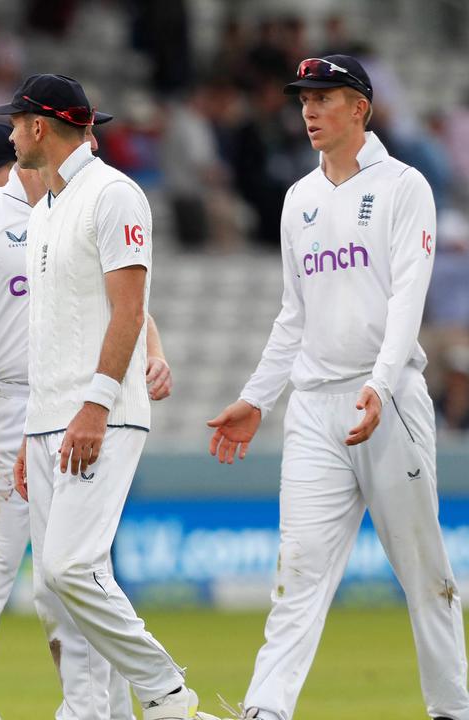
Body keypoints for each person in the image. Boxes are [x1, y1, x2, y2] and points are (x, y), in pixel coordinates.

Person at [207, 54, 469, 720]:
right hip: (316, 408)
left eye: (324, 97)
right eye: (304, 99)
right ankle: (265, 711)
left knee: (427, 576)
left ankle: (450, 709)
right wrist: (257, 397)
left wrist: (381, 385)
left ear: (361, 107)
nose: (310, 110)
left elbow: (411, 295)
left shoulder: (405, 185)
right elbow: (292, 316)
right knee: (297, 575)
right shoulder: (300, 199)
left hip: (389, 401)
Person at [0, 121, 172, 720]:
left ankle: (101, 711)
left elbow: (121, 300)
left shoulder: (80, 202)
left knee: (75, 582)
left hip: (74, 402)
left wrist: (154, 350)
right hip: (6, 404)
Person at [0, 74, 218, 720]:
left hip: (99, 415)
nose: (9, 135)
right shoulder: (44, 209)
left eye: (14, 123)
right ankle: (94, 713)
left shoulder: (114, 195)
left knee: (71, 568)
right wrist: (30, 432)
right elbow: (55, 326)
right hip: (46, 421)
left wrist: (94, 405)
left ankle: (166, 693)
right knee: (51, 593)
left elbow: (130, 309)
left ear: (40, 126)